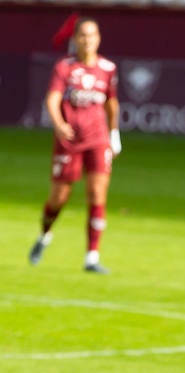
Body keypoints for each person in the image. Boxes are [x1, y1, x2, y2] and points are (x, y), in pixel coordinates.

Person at [28, 16, 121, 274]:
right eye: (82, 35)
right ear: (75, 39)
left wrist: (114, 134)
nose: (87, 40)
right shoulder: (64, 68)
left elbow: (111, 103)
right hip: (69, 140)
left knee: (97, 193)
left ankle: (92, 256)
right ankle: (45, 234)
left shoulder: (108, 68)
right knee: (59, 197)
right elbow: (52, 99)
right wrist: (58, 124)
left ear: (98, 38)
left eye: (92, 35)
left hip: (98, 139)